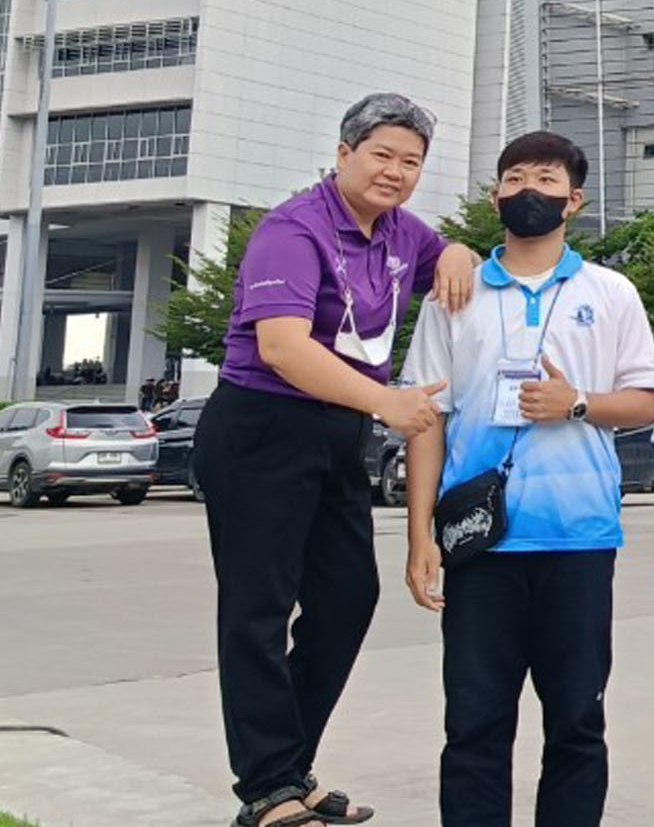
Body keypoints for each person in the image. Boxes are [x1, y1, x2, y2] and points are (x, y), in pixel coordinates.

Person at [193, 93, 479, 827]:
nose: (395, 171)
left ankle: (288, 767)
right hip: (261, 425)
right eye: (382, 154)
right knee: (258, 608)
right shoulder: (292, 231)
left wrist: (457, 250)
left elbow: (445, 251)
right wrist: (387, 403)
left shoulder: (394, 232)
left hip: (335, 434)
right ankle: (267, 787)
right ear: (345, 151)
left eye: (411, 162)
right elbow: (283, 348)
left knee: (349, 596)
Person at [400, 132, 654, 826]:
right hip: (479, 544)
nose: (528, 190)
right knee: (474, 722)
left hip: (578, 538)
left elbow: (646, 399)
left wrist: (576, 403)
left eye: (546, 178)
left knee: (577, 718)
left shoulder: (609, 291)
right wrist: (418, 535)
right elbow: (427, 415)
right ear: (496, 196)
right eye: (514, 177)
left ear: (574, 200)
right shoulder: (452, 294)